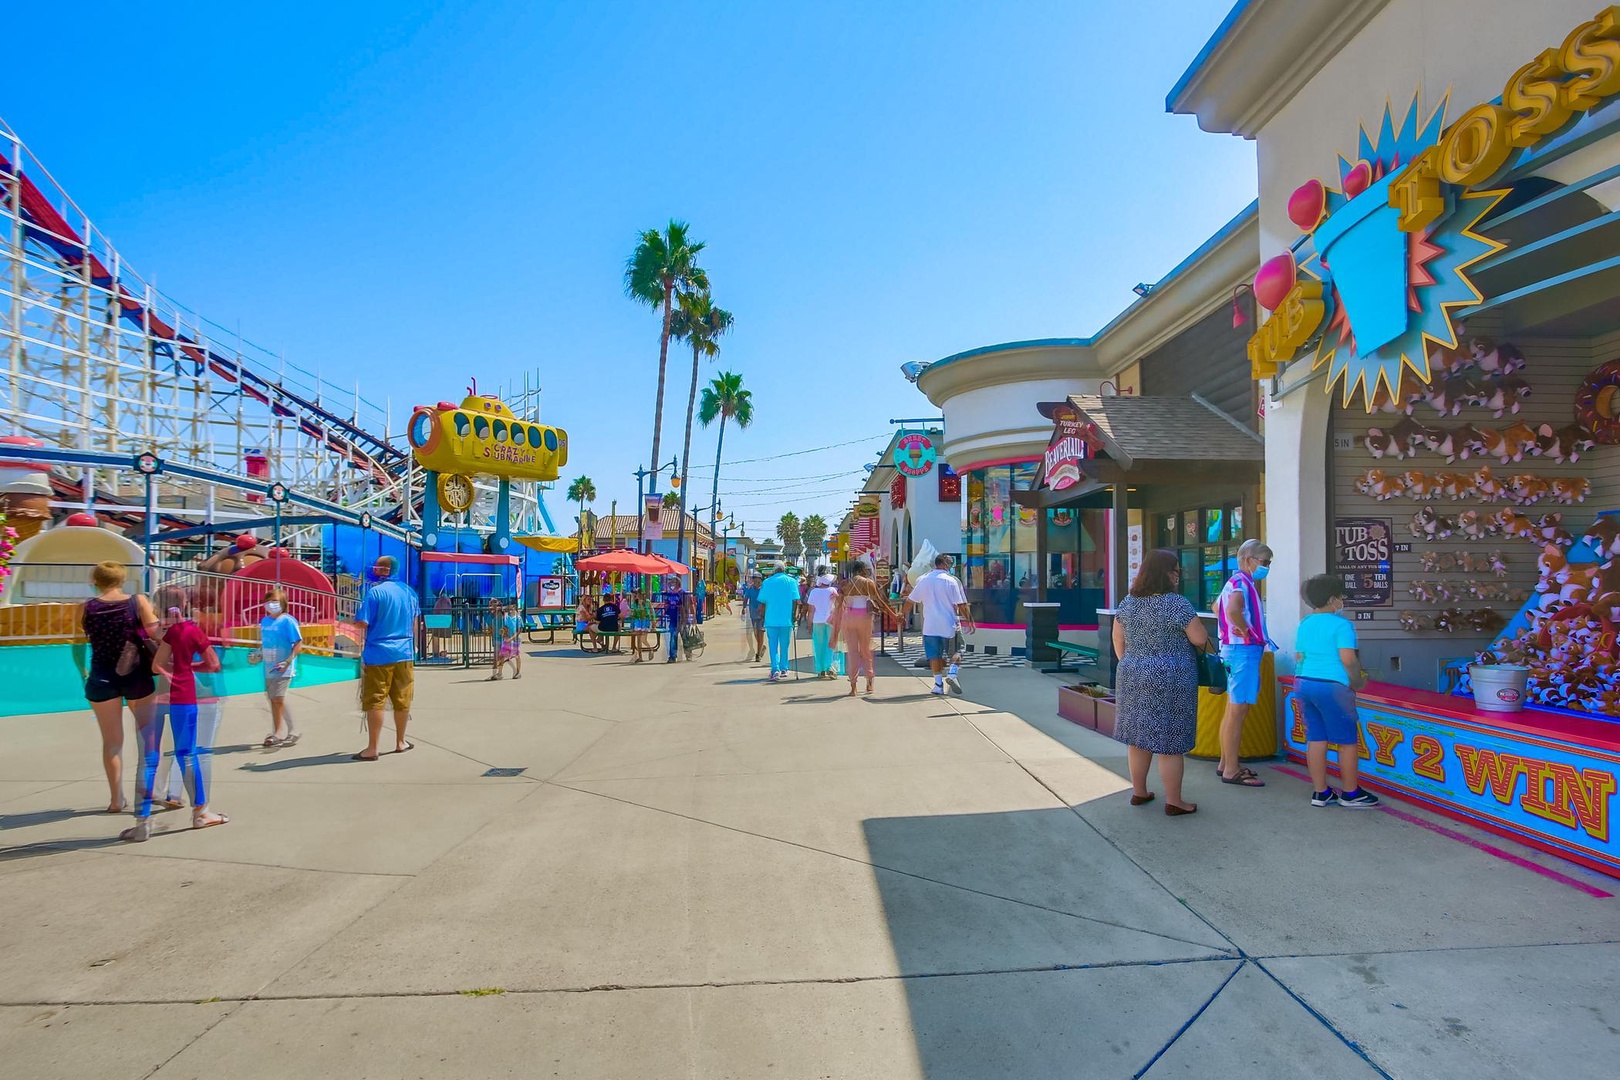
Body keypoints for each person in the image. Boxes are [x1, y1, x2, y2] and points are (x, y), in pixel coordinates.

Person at [1112, 548, 1210, 817]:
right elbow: (1200, 639)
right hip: (1172, 676)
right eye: (1175, 570)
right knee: (1170, 740)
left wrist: (1133, 662)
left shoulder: (1128, 603)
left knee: (1139, 736)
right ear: (1165, 573)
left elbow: (1118, 638)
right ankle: (1175, 801)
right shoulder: (1176, 604)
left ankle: (1139, 792)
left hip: (1133, 673)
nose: (1178, 575)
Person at [75, 561, 159, 818]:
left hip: (101, 677)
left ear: (95, 580)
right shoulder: (138, 601)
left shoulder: (84, 608)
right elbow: (156, 634)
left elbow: (78, 645)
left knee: (112, 743)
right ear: (122, 580)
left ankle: (115, 799)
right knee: (148, 737)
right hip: (136, 675)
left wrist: (83, 673)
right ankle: (149, 791)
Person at [1295, 575, 1381, 809]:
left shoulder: (1305, 623)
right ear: (1333, 599)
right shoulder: (1342, 625)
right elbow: (1348, 659)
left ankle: (1321, 792)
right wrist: (1357, 680)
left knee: (1316, 737)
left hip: (1304, 683)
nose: (1343, 601)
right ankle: (1351, 793)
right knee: (1346, 741)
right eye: (1341, 597)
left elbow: (1299, 656)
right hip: (1333, 686)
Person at [143, 605, 227, 835]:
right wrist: (188, 666)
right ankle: (200, 810)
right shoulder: (193, 631)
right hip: (188, 695)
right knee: (191, 754)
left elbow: (155, 665)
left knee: (153, 756)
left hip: (156, 697)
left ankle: (146, 815)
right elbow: (214, 664)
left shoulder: (158, 631)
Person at [1216, 539, 1276, 788]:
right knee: (1238, 711)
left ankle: (1225, 763)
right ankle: (1231, 768)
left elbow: (1217, 606)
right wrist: (1244, 630)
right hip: (1243, 653)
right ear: (1248, 559)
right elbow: (1232, 610)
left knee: (1233, 711)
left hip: (1234, 651)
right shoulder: (1242, 582)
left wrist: (1237, 627)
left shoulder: (1235, 582)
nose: (1267, 566)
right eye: (1264, 562)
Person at [354, 555, 420, 761]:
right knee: (402, 699)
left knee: (375, 699)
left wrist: (351, 622)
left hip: (378, 653)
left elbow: (362, 622)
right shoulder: (409, 592)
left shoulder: (375, 593)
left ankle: (372, 748)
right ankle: (401, 741)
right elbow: (414, 623)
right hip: (405, 652)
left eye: (378, 567)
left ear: (384, 570)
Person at [902, 554, 974, 696]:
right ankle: (952, 675)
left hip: (930, 625)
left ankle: (938, 685)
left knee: (934, 656)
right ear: (946, 565)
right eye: (951, 565)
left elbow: (910, 601)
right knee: (958, 650)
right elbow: (961, 604)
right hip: (949, 624)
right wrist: (970, 620)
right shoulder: (952, 581)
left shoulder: (923, 580)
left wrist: (901, 615)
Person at [831, 563, 895, 696]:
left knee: (852, 652)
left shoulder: (845, 584)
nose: (867, 572)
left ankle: (853, 686)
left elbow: (839, 603)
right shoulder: (868, 583)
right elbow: (881, 602)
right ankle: (869, 682)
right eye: (866, 570)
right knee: (866, 651)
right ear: (861, 570)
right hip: (864, 618)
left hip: (849, 618)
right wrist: (894, 615)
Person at [256, 588, 303, 747]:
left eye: (275, 601)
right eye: (268, 601)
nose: (271, 604)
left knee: (277, 698)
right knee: (275, 698)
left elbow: (298, 643)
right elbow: (266, 643)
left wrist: (288, 661)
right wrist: (259, 654)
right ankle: (293, 729)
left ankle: (278, 732)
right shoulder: (264, 621)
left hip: (283, 667)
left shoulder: (288, 621)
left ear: (283, 603)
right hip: (269, 667)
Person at [755, 565, 800, 681]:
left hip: (771, 619)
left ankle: (775, 669)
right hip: (786, 619)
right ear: (784, 569)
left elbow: (763, 602)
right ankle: (784, 668)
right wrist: (794, 615)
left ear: (774, 570)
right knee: (785, 645)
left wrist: (762, 615)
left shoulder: (767, 582)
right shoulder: (792, 581)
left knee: (773, 645)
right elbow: (795, 600)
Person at [805, 574, 840, 678]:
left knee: (818, 646)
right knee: (830, 645)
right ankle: (830, 666)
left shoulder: (813, 592)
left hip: (817, 621)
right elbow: (837, 606)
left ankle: (821, 669)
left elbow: (811, 610)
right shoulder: (833, 591)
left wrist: (809, 624)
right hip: (830, 621)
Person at [490, 599, 522, 679]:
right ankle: (500, 673)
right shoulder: (506, 617)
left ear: (514, 606)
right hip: (507, 639)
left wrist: (512, 638)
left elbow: (519, 630)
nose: (508, 607)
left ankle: (517, 672)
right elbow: (505, 628)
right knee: (502, 656)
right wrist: (504, 633)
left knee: (516, 656)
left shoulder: (518, 618)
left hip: (515, 640)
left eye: (510, 605)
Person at [662, 575, 688, 663]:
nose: (671, 584)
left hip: (680, 617)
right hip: (672, 618)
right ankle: (672, 656)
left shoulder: (682, 593)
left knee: (684, 636)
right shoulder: (670, 594)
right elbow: (667, 605)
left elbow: (684, 606)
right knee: (673, 636)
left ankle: (688, 652)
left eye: (673, 582)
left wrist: (684, 619)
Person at [629, 589, 654, 662]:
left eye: (637, 594)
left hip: (645, 622)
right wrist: (632, 626)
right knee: (638, 640)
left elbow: (651, 612)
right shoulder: (634, 603)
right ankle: (640, 657)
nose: (636, 596)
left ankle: (650, 649)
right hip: (638, 622)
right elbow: (633, 615)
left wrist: (653, 622)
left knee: (643, 639)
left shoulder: (647, 602)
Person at [597, 588, 624, 652]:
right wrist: (619, 619)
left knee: (598, 626)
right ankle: (614, 647)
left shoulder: (600, 609)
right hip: (613, 627)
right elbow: (621, 616)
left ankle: (601, 642)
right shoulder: (615, 607)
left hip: (603, 628)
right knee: (619, 627)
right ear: (611, 599)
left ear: (603, 600)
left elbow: (598, 620)